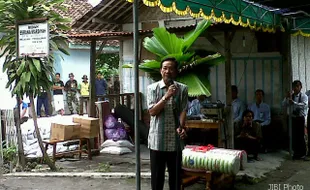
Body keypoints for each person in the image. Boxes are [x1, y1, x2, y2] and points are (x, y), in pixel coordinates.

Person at [147, 57, 188, 190]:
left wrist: (181, 127)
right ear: (160, 71)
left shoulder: (182, 89)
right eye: (165, 68)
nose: (167, 71)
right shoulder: (152, 88)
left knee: (175, 179)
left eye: (171, 68)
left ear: (176, 72)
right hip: (157, 140)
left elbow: (183, 110)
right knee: (157, 179)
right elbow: (152, 111)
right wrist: (167, 96)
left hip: (175, 141)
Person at [282, 80, 308, 161]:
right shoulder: (291, 96)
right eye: (294, 86)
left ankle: (302, 153)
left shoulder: (304, 96)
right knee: (293, 135)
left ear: (301, 87)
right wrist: (287, 98)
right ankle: (295, 152)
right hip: (291, 118)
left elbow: (304, 105)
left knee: (300, 135)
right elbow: (283, 104)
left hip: (300, 118)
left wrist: (293, 103)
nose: (296, 88)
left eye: (297, 86)